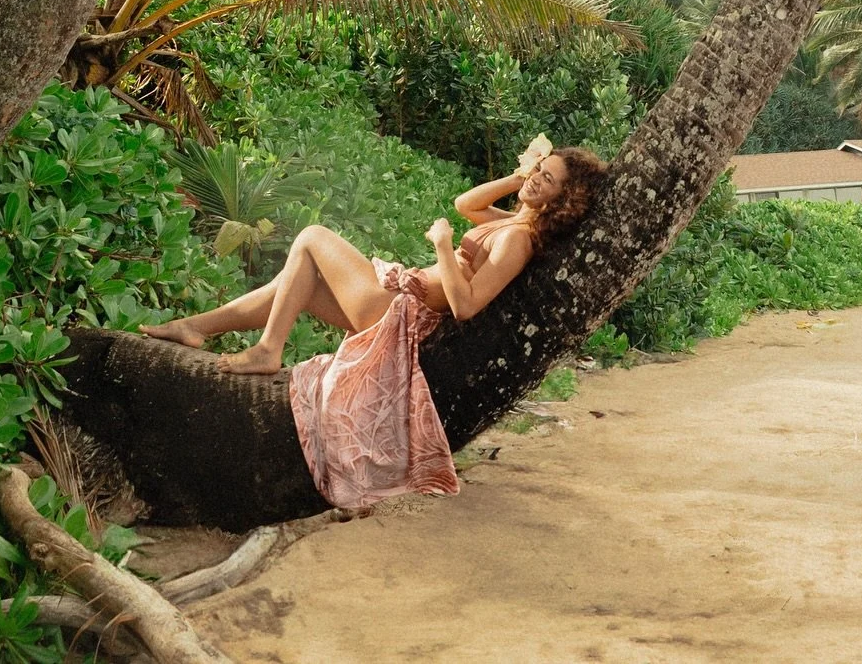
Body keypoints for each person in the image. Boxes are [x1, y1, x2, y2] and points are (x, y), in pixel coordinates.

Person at [141, 137, 607, 513]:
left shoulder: (519, 242)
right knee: (294, 281)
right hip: (394, 299)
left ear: (563, 200)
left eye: (547, 181)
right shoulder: (511, 221)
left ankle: (268, 349)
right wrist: (519, 174)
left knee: (311, 237)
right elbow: (467, 204)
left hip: (397, 311)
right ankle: (195, 326)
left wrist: (444, 245)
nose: (536, 181)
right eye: (541, 170)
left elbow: (467, 305)